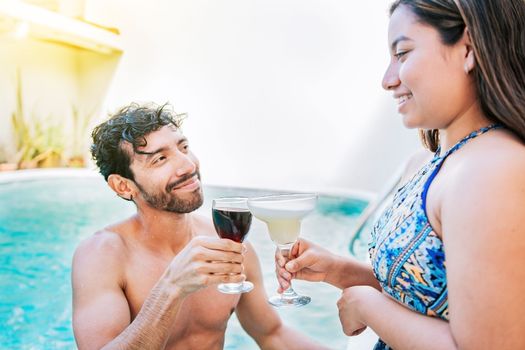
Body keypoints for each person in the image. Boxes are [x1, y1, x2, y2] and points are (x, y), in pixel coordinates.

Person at [277, 0, 525, 349]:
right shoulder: (437, 160)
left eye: (403, 53)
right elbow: (434, 296)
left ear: (468, 48)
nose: (387, 79)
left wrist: (366, 305)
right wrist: (340, 271)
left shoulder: (489, 171)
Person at [71, 102, 327, 350]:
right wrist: (172, 287)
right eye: (160, 159)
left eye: (183, 147)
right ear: (123, 186)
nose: (188, 165)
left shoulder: (229, 246)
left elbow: (272, 335)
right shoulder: (102, 257)